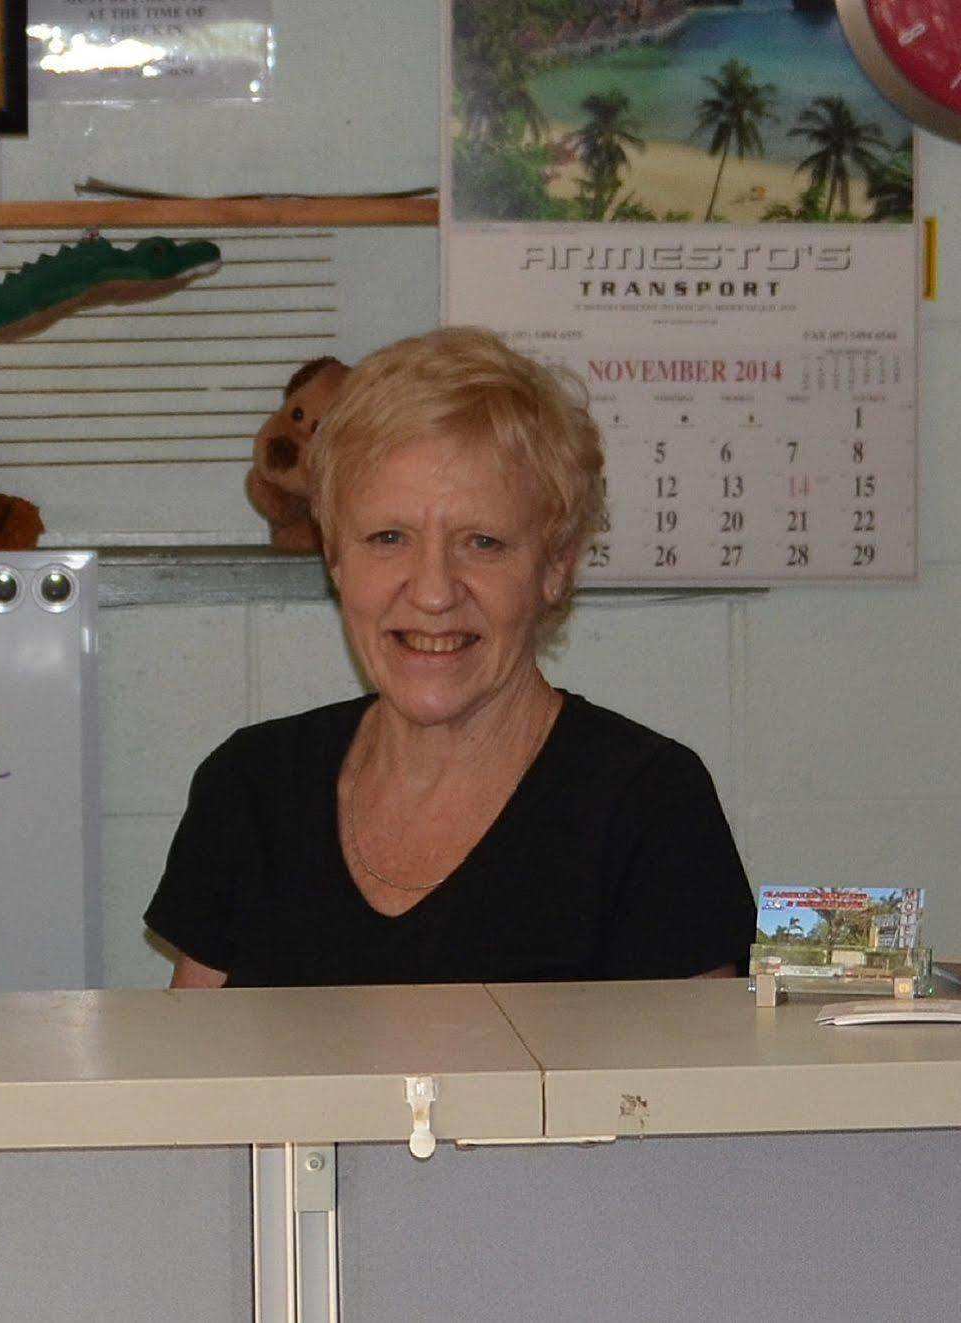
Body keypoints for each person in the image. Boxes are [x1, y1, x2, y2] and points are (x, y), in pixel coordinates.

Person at [145, 326, 755, 988]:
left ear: (554, 567)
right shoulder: (249, 790)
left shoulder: (645, 806)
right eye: (387, 537)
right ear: (335, 557)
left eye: (482, 542)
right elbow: (188, 1085)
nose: (433, 591)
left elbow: (694, 1091)